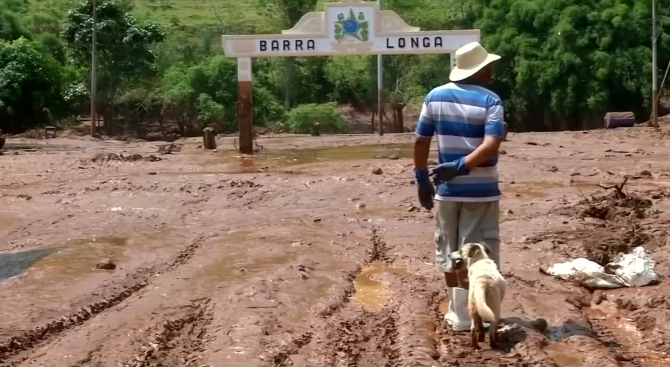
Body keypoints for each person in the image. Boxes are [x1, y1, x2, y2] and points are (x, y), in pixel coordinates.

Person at [413, 41, 505, 331]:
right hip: (481, 192)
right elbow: (491, 145)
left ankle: (458, 314)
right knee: (478, 254)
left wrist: (422, 178)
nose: (491, 69)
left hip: (446, 193)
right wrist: (463, 166)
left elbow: (420, 140)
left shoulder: (435, 96)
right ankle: (475, 316)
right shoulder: (491, 101)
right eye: (488, 64)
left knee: (450, 250)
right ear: (479, 70)